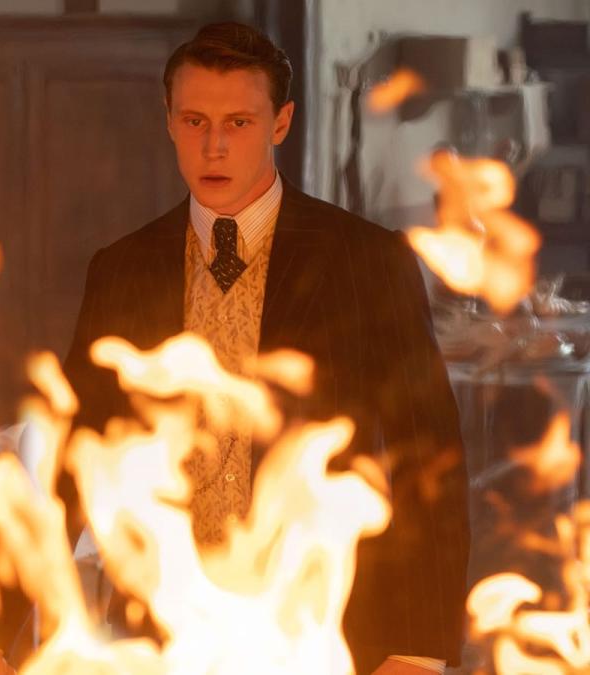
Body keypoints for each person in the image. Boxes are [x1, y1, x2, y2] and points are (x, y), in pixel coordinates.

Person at [60, 22, 469, 675]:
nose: (213, 145)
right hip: (161, 631)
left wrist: (420, 647)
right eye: (194, 120)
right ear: (168, 120)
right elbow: (71, 453)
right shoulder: (120, 268)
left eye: (239, 123)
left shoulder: (368, 261)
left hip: (326, 627)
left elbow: (430, 460)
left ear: (280, 124)